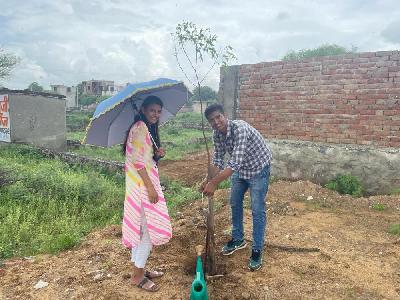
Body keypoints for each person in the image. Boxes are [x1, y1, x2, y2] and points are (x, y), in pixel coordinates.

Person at [200, 103, 272, 271]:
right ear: (209, 123)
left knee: (257, 209)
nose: (216, 122)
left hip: (258, 168)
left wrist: (214, 183)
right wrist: (207, 179)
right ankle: (238, 239)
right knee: (234, 202)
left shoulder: (240, 128)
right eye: (212, 120)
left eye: (218, 117)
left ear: (225, 115)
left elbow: (234, 164)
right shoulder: (216, 135)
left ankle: (257, 249)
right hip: (241, 169)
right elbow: (218, 159)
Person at [122, 95, 172, 292]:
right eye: (152, 110)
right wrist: (151, 188)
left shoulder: (142, 128)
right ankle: (137, 276)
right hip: (143, 187)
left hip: (138, 185)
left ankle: (140, 269)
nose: (156, 114)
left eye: (159, 111)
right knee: (148, 231)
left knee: (141, 229)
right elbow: (139, 163)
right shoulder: (141, 128)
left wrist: (156, 156)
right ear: (143, 109)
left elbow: (143, 158)